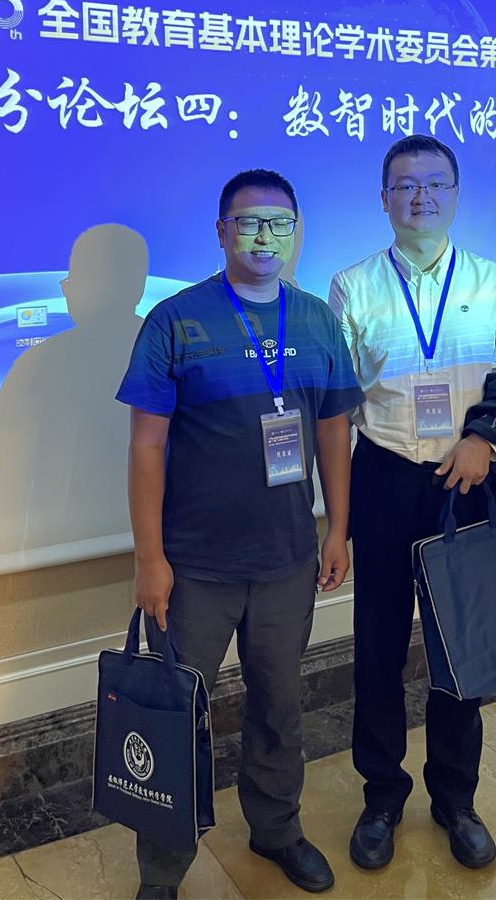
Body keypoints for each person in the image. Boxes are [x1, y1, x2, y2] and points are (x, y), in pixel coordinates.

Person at [330, 134, 496, 874]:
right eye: (406, 185)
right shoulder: (353, 287)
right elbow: (339, 402)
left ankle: (456, 799)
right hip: (384, 478)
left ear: (456, 195)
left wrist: (484, 441)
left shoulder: (494, 282)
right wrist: (335, 516)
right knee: (376, 649)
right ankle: (381, 795)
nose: (421, 197)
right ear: (384, 199)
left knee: (462, 644)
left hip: (468, 480)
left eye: (436, 184)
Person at [118, 168, 362, 900]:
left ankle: (277, 829)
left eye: (280, 224)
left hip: (287, 560)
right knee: (175, 717)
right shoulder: (175, 320)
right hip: (193, 567)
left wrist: (338, 528)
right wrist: (150, 558)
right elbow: (146, 445)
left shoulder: (316, 320)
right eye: (249, 222)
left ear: (296, 234)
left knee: (279, 705)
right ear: (222, 231)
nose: (265, 236)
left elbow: (333, 429)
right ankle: (163, 870)